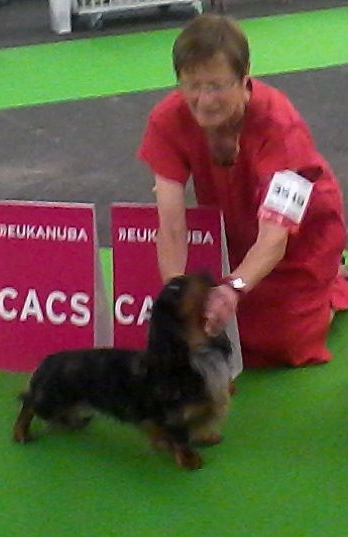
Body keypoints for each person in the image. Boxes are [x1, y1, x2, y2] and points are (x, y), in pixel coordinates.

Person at [138, 13, 348, 368]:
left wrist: (233, 288)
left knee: (281, 343)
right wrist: (178, 296)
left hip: (300, 234)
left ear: (244, 77)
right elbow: (171, 225)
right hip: (234, 228)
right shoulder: (166, 120)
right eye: (191, 85)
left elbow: (275, 237)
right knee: (216, 331)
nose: (203, 100)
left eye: (216, 86)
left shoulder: (279, 125)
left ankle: (332, 287)